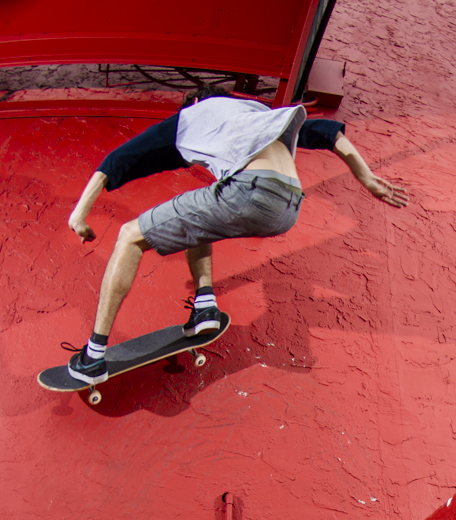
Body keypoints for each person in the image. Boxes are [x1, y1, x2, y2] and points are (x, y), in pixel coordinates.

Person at [63, 86, 408, 384]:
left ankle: (93, 356)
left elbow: (120, 159)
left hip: (251, 193)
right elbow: (329, 132)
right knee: (197, 217)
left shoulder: (191, 116)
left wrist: (79, 213)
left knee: (129, 236)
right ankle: (205, 307)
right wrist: (367, 179)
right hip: (288, 207)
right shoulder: (257, 113)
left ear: (195, 103)